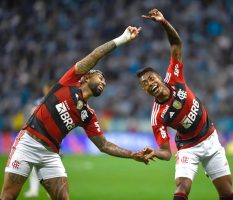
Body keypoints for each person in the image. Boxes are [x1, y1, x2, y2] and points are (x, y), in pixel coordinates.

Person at [1, 26, 147, 200]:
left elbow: (104, 145)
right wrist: (123, 39)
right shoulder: (69, 81)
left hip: (50, 153)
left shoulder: (88, 115)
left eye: (105, 81)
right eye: (101, 77)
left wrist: (132, 154)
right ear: (86, 77)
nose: (104, 82)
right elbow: (95, 55)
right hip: (28, 143)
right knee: (9, 196)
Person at [137, 9, 233, 200]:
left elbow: (176, 43)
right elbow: (166, 153)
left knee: (227, 193)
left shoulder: (174, 76)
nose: (149, 83)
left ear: (159, 77)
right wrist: (154, 152)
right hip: (188, 147)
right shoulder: (158, 116)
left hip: (211, 139)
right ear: (145, 91)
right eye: (145, 84)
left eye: (151, 78)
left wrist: (163, 22)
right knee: (181, 188)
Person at [24, 82, 54, 198]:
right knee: (34, 167)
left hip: (51, 139)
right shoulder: (39, 102)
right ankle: (33, 190)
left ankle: (50, 191)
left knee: (51, 168)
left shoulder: (58, 101)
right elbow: (32, 117)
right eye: (47, 88)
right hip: (38, 138)